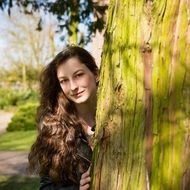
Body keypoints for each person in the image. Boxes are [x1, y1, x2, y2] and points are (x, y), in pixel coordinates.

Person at [28, 46, 99, 190]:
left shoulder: (119, 113)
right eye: (64, 80)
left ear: (96, 74)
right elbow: (46, 187)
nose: (73, 87)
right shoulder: (53, 127)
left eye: (78, 75)